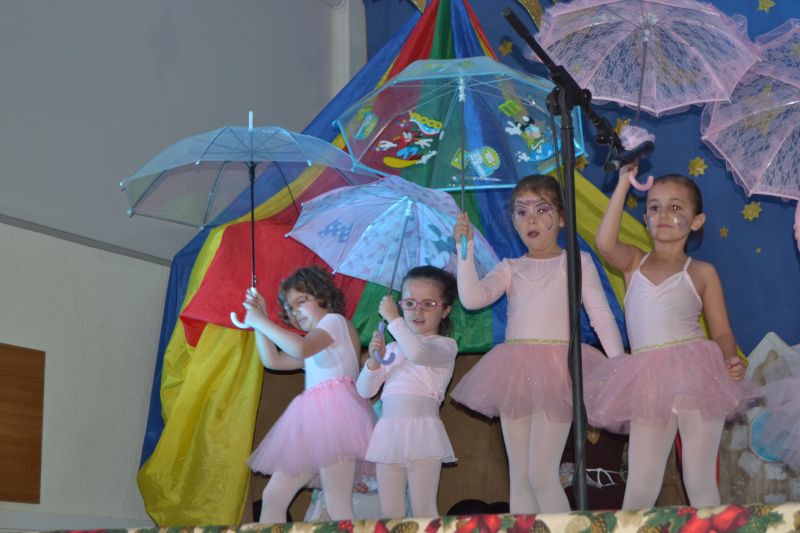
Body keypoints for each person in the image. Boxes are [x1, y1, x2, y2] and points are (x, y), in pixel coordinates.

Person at [451, 175, 625, 514]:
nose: (530, 219)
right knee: (519, 478)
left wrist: (618, 366)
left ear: (562, 218)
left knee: (542, 475)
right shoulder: (511, 268)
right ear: (514, 221)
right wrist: (464, 250)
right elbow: (472, 299)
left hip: (557, 373)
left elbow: (601, 317)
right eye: (522, 211)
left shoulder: (576, 262)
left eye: (542, 209)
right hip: (514, 372)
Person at [587, 164, 750, 509]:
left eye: (675, 207)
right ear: (645, 217)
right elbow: (604, 243)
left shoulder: (702, 272)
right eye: (654, 207)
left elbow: (721, 330)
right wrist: (622, 184)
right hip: (648, 380)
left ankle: (711, 528)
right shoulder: (634, 262)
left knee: (699, 479)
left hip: (696, 374)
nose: (663, 214)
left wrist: (729, 358)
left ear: (697, 221)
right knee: (641, 484)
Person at [242, 265, 375, 524]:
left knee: (338, 504)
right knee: (274, 496)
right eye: (289, 308)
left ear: (323, 296)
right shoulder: (317, 343)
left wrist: (260, 321)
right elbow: (273, 360)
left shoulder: (333, 323)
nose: (295, 311)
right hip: (314, 426)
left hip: (337, 421)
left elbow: (301, 348)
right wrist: (260, 321)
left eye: (301, 301)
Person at [356, 266, 458, 518]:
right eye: (410, 303)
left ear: (445, 310)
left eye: (429, 304)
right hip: (388, 432)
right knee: (390, 512)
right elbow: (364, 390)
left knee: (424, 509)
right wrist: (373, 362)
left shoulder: (444, 346)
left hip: (423, 432)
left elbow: (418, 353)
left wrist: (394, 320)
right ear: (401, 304)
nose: (418, 311)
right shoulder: (392, 349)